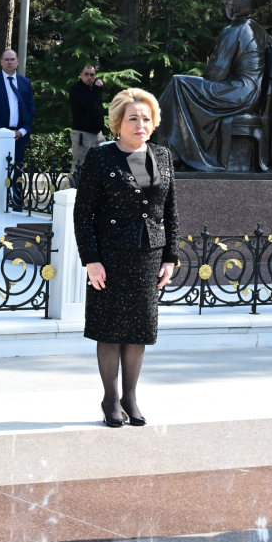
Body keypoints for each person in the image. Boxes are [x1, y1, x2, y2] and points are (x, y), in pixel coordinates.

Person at [73, 89, 180, 429]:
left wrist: (170, 257)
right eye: (133, 118)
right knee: (111, 330)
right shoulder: (100, 157)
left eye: (146, 118)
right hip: (111, 256)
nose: (140, 124)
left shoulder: (162, 156)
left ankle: (130, 396)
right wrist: (92, 260)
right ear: (118, 122)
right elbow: (83, 214)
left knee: (138, 330)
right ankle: (110, 397)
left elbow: (170, 209)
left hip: (149, 256)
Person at [157, 0, 272, 172]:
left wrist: (201, 80)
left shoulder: (234, 30)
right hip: (251, 93)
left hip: (238, 92)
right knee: (182, 85)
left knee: (178, 83)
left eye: (226, 4)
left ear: (232, 6)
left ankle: (175, 150)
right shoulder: (257, 28)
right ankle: (178, 149)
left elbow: (217, 72)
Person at [0, 49, 35, 207]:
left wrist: (22, 131)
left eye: (12, 59)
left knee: (18, 171)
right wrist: (3, 133)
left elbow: (31, 109)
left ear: (17, 61)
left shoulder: (25, 83)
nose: (9, 62)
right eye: (6, 59)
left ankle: (17, 205)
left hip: (18, 136)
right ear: (1, 61)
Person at [69, 64, 106, 172]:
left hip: (97, 134)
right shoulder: (76, 89)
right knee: (81, 164)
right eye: (86, 74)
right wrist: (97, 88)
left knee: (100, 163)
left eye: (92, 75)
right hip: (83, 134)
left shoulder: (93, 90)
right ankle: (74, 188)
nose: (89, 77)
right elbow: (89, 104)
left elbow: (98, 109)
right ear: (81, 75)